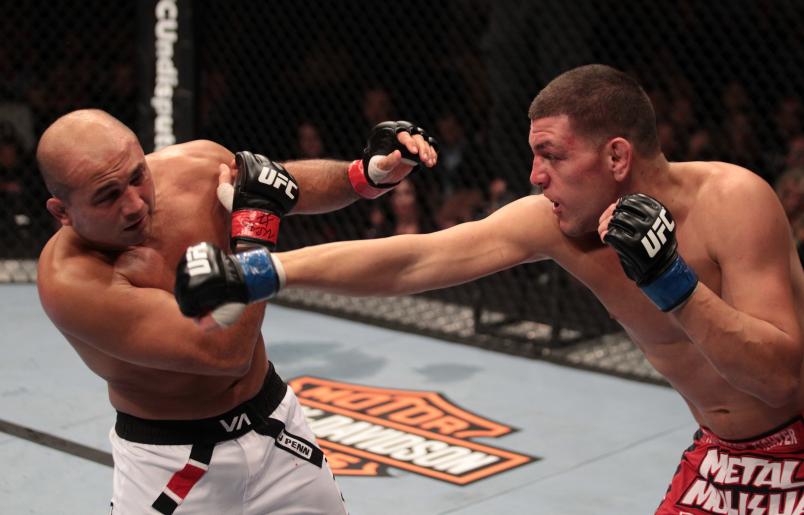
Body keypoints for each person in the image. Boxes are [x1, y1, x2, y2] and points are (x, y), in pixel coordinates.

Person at [179, 65, 804, 514]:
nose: (536, 176)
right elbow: (418, 260)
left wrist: (673, 282)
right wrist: (268, 271)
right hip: (720, 454)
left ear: (617, 156)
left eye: (552, 156)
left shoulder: (733, 202)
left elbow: (781, 383)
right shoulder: (555, 222)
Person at [35, 109, 437, 514]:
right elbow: (224, 354)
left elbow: (279, 184)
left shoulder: (194, 169)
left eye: (138, 176)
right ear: (61, 212)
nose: (135, 203)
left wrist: (368, 175)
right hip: (169, 464)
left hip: (274, 424)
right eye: (107, 195)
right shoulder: (71, 281)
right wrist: (254, 236)